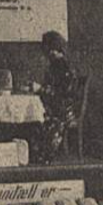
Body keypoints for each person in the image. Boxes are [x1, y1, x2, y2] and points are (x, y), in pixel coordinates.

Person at [32, 30, 80, 164]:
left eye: (48, 50)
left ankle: (45, 155)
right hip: (54, 105)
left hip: (63, 109)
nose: (47, 54)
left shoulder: (65, 67)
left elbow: (64, 93)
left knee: (40, 120)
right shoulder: (54, 65)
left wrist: (41, 89)